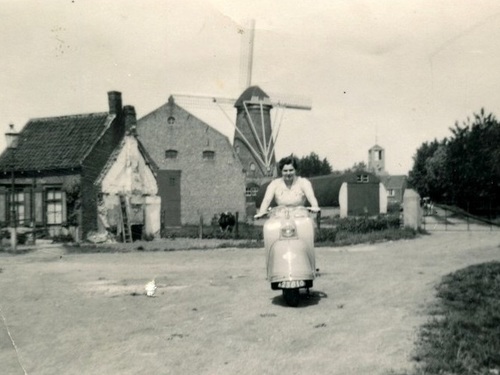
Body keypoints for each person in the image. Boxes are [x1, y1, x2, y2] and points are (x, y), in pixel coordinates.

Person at [254, 155, 320, 218]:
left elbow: (311, 196)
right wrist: (262, 211)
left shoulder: (304, 182)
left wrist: (315, 206)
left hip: (300, 216)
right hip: (280, 216)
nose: (288, 173)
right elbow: (267, 200)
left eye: (291, 170)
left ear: (295, 170)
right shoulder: (274, 184)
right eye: (285, 171)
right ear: (281, 171)